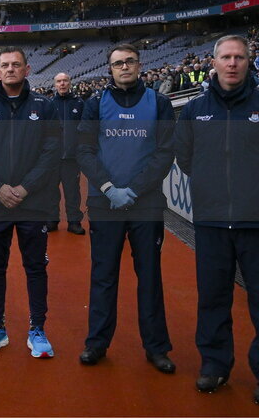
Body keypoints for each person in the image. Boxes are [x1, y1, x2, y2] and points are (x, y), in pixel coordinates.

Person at [174, 35, 259, 405]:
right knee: (213, 299)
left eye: (239, 57)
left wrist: (258, 186)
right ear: (213, 63)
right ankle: (214, 365)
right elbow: (185, 158)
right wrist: (212, 186)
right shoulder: (193, 110)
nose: (232, 63)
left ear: (249, 62)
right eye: (226, 57)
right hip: (212, 220)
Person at [76, 44, 176, 373]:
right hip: (104, 203)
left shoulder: (159, 103)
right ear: (110, 69)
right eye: (118, 63)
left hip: (145, 203)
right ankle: (97, 342)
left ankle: (157, 347)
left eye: (129, 61)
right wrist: (108, 188)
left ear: (139, 65)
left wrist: (133, 190)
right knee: (103, 276)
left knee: (150, 277)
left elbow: (165, 152)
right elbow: (84, 150)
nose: (124, 67)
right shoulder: (95, 104)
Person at [0, 47, 60, 357]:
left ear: (27, 69)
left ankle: (37, 329)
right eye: (5, 65)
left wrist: (24, 188)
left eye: (16, 64)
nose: (10, 69)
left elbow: (51, 152)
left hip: (33, 202)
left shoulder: (44, 106)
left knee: (35, 268)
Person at [49, 72, 85, 235]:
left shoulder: (79, 103)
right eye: (59, 81)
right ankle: (52, 219)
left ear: (70, 83)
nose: (62, 84)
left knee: (72, 192)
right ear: (55, 85)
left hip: (72, 157)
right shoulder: (49, 104)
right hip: (53, 157)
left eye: (65, 81)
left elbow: (86, 128)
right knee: (50, 190)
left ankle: (74, 221)